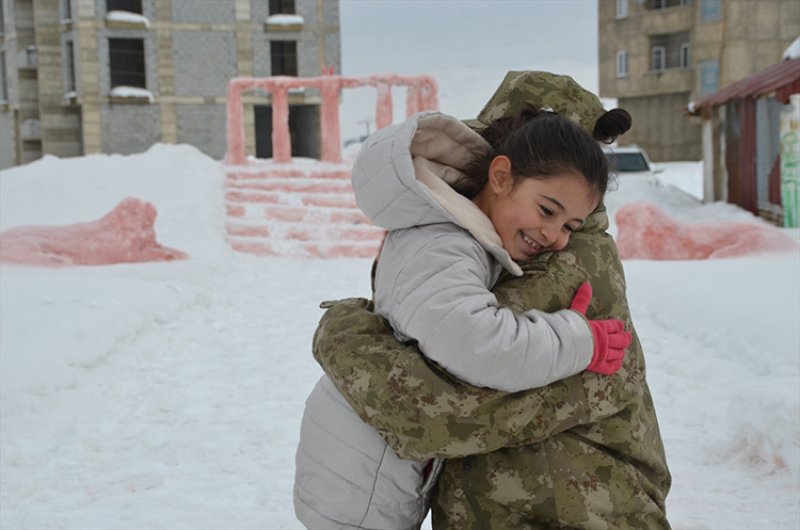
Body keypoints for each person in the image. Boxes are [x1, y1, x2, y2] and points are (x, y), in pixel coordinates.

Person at [310, 71, 672, 529]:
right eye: (547, 211)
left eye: (569, 224)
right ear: (503, 172)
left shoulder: (565, 265)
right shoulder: (461, 239)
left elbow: (431, 410)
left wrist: (345, 338)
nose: (556, 235)